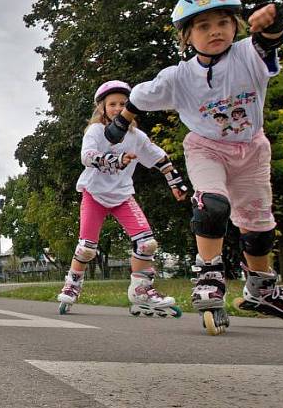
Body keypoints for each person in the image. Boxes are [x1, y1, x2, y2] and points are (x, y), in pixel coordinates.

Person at [104, 0, 283, 334]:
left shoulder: (247, 55)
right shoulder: (178, 76)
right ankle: (209, 273)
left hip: (252, 147)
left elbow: (270, 40)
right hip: (206, 146)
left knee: (259, 225)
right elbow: (140, 97)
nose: (216, 31)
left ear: (236, 26)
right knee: (212, 205)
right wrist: (120, 122)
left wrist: (273, 21)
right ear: (187, 37)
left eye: (223, 22)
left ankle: (261, 287)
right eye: (204, 27)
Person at [57, 81, 187, 317]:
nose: (118, 108)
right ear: (103, 108)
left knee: (147, 243)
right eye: (112, 104)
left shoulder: (136, 136)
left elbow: (159, 157)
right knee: (87, 248)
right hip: (95, 193)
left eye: (123, 104)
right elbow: (86, 156)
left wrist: (174, 181)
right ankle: (73, 284)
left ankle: (141, 290)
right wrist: (114, 160)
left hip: (123, 195)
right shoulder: (96, 131)